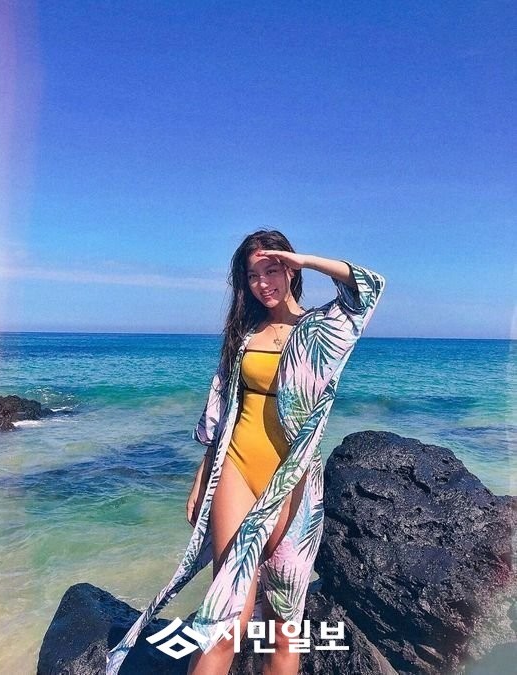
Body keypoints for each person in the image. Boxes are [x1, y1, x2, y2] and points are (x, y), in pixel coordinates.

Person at [106, 229, 386, 675]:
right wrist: (202, 475)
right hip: (236, 468)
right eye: (252, 276)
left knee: (283, 628)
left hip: (295, 484)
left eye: (271, 270)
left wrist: (305, 260)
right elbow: (222, 409)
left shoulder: (324, 328)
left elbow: (369, 285)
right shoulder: (243, 333)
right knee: (226, 621)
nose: (262, 283)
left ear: (290, 271)